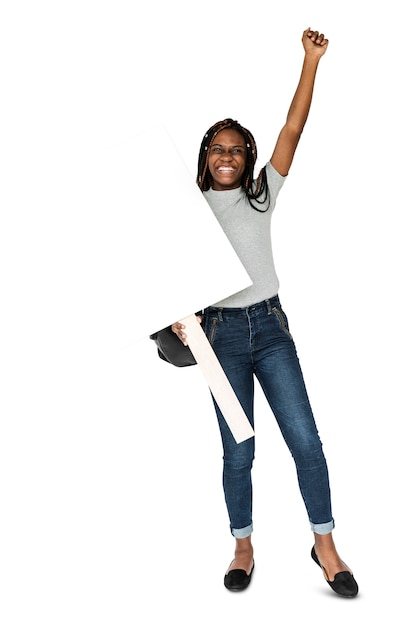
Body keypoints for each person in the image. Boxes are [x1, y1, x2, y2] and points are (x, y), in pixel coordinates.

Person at [172, 28, 358, 597]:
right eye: (217, 148)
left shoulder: (261, 194)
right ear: (205, 157)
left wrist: (310, 61)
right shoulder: (185, 206)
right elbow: (157, 271)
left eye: (236, 148)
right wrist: (176, 316)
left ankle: (324, 545)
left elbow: (293, 128)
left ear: (247, 156)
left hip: (271, 329)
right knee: (239, 452)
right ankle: (243, 546)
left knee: (306, 441)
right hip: (219, 337)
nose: (226, 156)